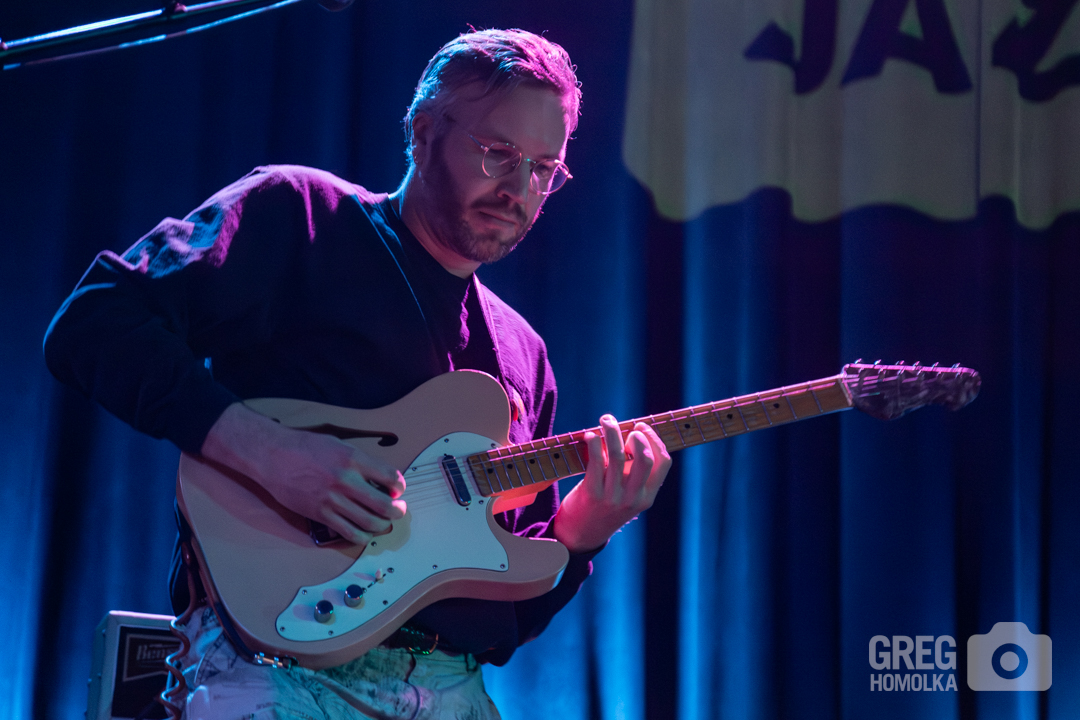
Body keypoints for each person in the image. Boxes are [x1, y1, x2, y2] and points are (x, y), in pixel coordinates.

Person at [44, 28, 671, 719]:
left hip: (451, 689)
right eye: (498, 153)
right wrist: (271, 452)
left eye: (544, 168)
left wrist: (582, 531)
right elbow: (93, 323)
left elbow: (502, 627)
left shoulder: (525, 355)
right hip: (273, 673)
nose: (519, 188)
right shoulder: (304, 217)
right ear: (423, 134)